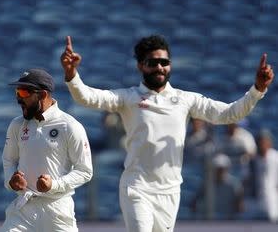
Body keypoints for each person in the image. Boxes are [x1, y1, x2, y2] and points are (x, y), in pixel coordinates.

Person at [60, 34, 274, 232]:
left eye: (165, 62)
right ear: (141, 66)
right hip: (137, 187)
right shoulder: (128, 98)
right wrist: (72, 75)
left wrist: (257, 89)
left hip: (169, 192)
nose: (160, 67)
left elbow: (229, 114)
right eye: (153, 63)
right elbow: (88, 97)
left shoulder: (185, 100)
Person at [1, 68, 93, 232]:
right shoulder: (16, 125)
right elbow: (9, 160)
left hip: (57, 210)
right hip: (24, 208)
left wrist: (54, 185)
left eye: (23, 93)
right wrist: (11, 182)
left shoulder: (70, 126)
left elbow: (85, 171)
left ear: (42, 95)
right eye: (17, 92)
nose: (18, 99)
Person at [192, 153, 244, 220]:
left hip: (229, 220)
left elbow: (240, 207)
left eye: (222, 169)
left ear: (227, 169)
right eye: (217, 169)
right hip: (209, 220)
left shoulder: (235, 184)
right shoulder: (206, 184)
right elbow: (194, 203)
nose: (219, 172)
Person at [246, 129, 278, 222]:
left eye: (264, 141)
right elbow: (247, 179)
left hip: (272, 200)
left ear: (269, 143)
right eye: (260, 141)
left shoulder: (275, 158)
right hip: (255, 201)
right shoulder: (252, 160)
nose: (262, 144)